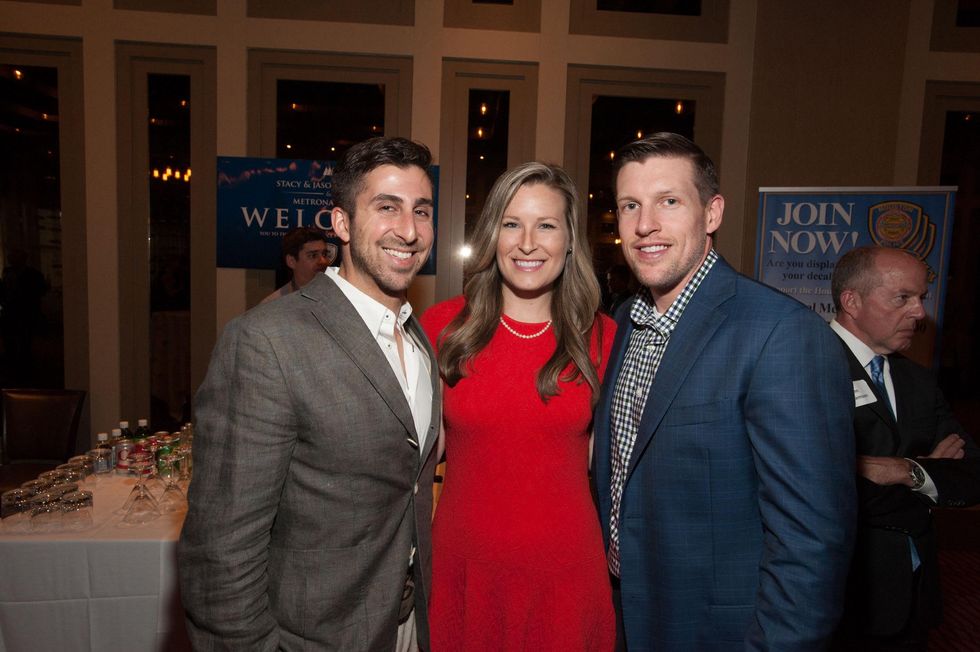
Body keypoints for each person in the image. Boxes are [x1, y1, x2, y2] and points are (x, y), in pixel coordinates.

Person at [593, 132, 857, 650]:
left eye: (669, 201)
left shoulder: (781, 333)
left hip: (721, 632)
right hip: (627, 615)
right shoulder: (623, 324)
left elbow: (812, 542)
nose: (645, 225)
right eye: (630, 205)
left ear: (711, 213)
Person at [178, 136, 441, 651]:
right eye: (386, 208)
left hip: (406, 626)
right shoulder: (266, 341)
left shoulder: (417, 334)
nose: (409, 231)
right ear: (341, 224)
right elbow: (221, 551)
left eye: (422, 211)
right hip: (315, 637)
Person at [421, 162, 616, 650]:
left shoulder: (606, 338)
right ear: (492, 235)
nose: (527, 242)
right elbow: (415, 457)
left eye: (546, 225)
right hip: (465, 571)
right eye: (512, 224)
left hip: (566, 576)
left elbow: (614, 464)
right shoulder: (443, 328)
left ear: (570, 240)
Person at [829, 246, 980, 651]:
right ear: (852, 301)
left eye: (920, 298)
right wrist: (930, 477)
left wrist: (903, 471)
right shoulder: (807, 366)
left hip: (914, 596)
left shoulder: (918, 380)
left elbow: (972, 475)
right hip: (843, 599)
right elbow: (828, 492)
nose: (919, 312)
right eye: (903, 298)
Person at [260, 225, 334, 303]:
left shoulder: (338, 297)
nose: (323, 261)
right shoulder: (273, 305)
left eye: (325, 254)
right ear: (291, 261)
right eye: (313, 255)